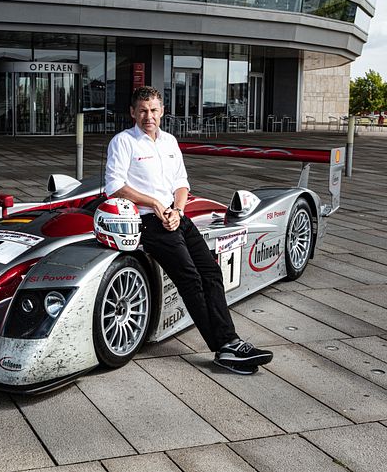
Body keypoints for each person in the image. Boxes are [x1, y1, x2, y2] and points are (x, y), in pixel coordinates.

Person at [104, 86, 273, 375]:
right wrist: (155, 204)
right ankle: (224, 347)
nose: (149, 116)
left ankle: (229, 341)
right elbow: (114, 187)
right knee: (191, 279)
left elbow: (182, 183)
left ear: (162, 112)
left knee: (211, 271)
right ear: (132, 112)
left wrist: (178, 211)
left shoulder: (169, 142)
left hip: (175, 215)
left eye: (154, 110)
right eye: (143, 110)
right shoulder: (123, 142)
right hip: (147, 221)